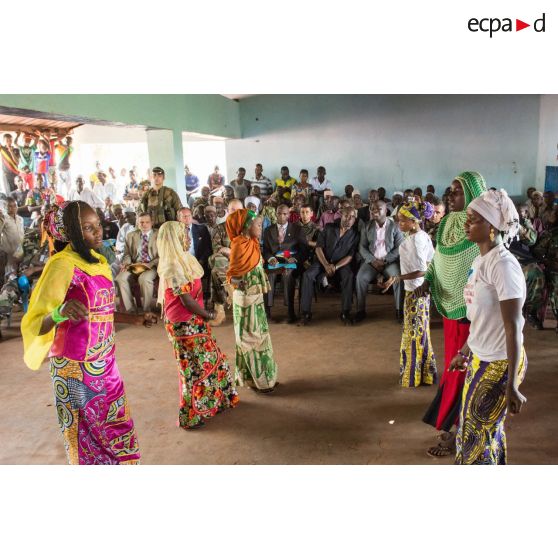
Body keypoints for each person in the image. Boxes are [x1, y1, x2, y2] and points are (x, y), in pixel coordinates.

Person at [21, 201, 156, 464]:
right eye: (87, 228)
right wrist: (60, 312)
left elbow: (100, 311)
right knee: (86, 439)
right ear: (71, 231)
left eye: (97, 226)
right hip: (75, 369)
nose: (98, 232)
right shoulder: (62, 265)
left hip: (106, 364)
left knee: (117, 427)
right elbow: (36, 322)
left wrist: (136, 318)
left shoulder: (99, 262)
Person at [450, 189, 527, 464]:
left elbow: (513, 325)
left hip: (500, 363)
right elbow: (483, 319)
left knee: (476, 435)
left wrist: (512, 385)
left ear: (493, 227)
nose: (465, 224)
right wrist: (465, 350)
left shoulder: (504, 266)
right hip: (481, 358)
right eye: (467, 218)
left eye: (473, 219)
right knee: (477, 431)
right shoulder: (479, 261)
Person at [418, 171, 487, 458]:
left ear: (472, 194)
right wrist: (427, 280)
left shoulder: (480, 228)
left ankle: (452, 429)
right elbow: (438, 259)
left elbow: (475, 269)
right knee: (452, 364)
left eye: (458, 191)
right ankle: (451, 419)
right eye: (451, 190)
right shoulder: (447, 222)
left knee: (462, 369)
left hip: (469, 313)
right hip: (448, 307)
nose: (452, 194)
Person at [156, 221, 238, 429]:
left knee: (211, 359)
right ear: (173, 238)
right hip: (183, 323)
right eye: (183, 234)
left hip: (195, 319)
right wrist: (209, 314)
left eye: (187, 233)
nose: (187, 237)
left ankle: (216, 401)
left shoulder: (186, 259)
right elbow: (186, 300)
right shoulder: (172, 265)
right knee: (193, 367)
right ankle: (191, 415)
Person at [382, 201, 437, 387]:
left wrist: (397, 278)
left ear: (414, 221)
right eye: (398, 220)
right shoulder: (417, 236)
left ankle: (413, 376)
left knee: (414, 333)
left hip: (416, 290)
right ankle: (424, 374)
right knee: (418, 332)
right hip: (414, 289)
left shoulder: (417, 240)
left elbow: (423, 269)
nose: (400, 224)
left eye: (403, 221)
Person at [226, 208, 279, 393]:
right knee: (250, 339)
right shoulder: (239, 245)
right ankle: (259, 382)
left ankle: (266, 378)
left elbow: (256, 267)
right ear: (246, 226)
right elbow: (232, 275)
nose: (261, 228)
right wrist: (240, 281)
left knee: (261, 337)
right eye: (257, 224)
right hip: (246, 301)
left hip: (255, 300)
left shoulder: (253, 243)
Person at [300, 207, 359, 325]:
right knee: (308, 275)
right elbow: (318, 247)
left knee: (348, 275)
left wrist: (335, 267)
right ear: (341, 215)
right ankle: (306, 312)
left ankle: (345, 312)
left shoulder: (355, 234)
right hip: (322, 261)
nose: (349, 219)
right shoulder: (329, 227)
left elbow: (350, 256)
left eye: (352, 217)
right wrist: (326, 265)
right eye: (347, 215)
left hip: (341, 264)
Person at [355, 200, 404, 322]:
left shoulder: (395, 227)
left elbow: (399, 247)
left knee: (397, 277)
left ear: (386, 210)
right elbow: (362, 247)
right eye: (372, 208)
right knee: (360, 278)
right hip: (372, 262)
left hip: (389, 262)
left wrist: (386, 260)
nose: (375, 210)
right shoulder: (367, 226)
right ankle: (360, 310)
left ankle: (399, 311)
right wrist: (372, 260)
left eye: (378, 208)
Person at [263, 204, 307, 323]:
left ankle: (290, 312)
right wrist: (270, 258)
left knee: (288, 274)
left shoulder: (297, 229)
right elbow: (265, 250)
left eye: (285, 214)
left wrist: (295, 258)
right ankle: (267, 312)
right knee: (268, 275)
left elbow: (304, 249)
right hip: (274, 261)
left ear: (289, 215)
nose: (282, 216)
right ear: (275, 214)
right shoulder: (268, 230)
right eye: (279, 213)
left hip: (290, 261)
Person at [115, 212, 159, 313]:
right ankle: (131, 309)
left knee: (144, 279)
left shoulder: (159, 235)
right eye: (141, 222)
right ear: (138, 223)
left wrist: (150, 264)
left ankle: (146, 309)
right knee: (120, 278)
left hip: (151, 266)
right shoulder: (131, 235)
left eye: (147, 222)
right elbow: (127, 253)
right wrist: (126, 264)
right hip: (135, 265)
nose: (144, 224)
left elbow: (162, 256)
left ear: (152, 222)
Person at [208, 199, 243, 317]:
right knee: (217, 259)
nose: (235, 212)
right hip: (224, 261)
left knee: (214, 272)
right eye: (233, 210)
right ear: (227, 211)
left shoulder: (247, 228)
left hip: (241, 262)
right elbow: (217, 248)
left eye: (238, 210)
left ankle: (219, 309)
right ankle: (232, 292)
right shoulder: (219, 228)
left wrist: (231, 252)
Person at [531, 206, 558, 333]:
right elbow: (537, 251)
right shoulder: (551, 234)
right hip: (553, 271)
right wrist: (548, 262)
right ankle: (532, 315)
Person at [178, 207, 213, 300]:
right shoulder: (175, 231)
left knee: (200, 270)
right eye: (184, 216)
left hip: (198, 260)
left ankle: (198, 298)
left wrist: (201, 260)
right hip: (181, 262)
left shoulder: (201, 229)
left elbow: (208, 248)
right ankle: (186, 299)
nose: (187, 218)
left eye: (189, 216)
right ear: (179, 219)